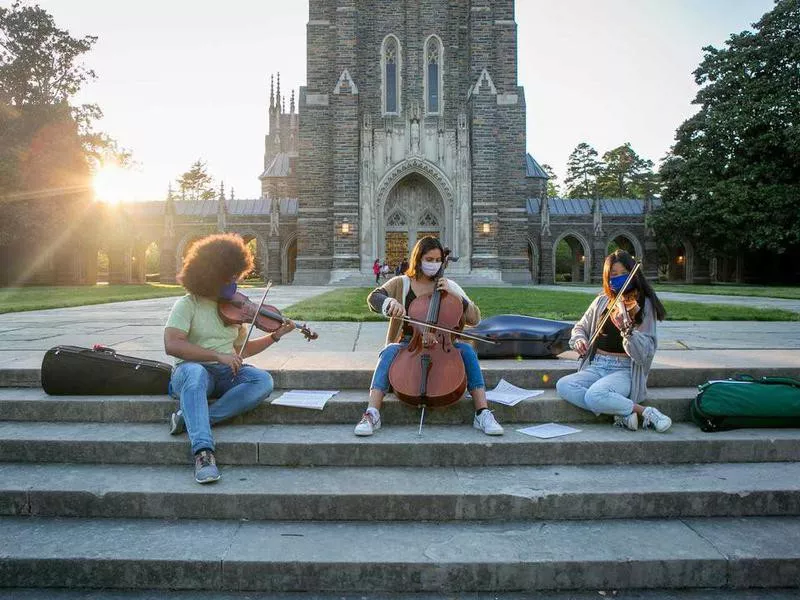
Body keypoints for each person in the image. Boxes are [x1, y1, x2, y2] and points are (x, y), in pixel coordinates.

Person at [164, 233, 295, 484]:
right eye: (229, 276)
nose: (234, 280)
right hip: (189, 373)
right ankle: (203, 451)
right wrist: (217, 356)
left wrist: (274, 337)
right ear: (209, 273)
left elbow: (241, 351)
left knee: (262, 380)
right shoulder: (187, 304)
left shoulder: (233, 308)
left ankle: (191, 418)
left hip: (223, 374)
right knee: (195, 373)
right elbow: (172, 344)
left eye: (236, 274)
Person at [355, 236, 503, 436]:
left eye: (437, 260)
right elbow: (374, 297)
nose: (434, 264)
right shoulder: (402, 283)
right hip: (409, 345)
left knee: (467, 350)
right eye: (429, 259)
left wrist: (456, 296)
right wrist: (389, 303)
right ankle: (372, 413)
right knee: (389, 351)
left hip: (444, 345)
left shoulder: (449, 286)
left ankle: (482, 412)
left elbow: (474, 318)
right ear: (418, 259)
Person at [555, 249, 672, 432]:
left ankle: (647, 412)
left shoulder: (644, 304)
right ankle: (622, 413)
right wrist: (579, 340)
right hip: (597, 365)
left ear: (634, 273)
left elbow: (644, 354)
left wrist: (627, 331)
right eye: (614, 274)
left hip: (624, 370)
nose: (619, 278)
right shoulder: (603, 300)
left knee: (595, 396)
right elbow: (580, 327)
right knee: (563, 385)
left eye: (624, 273)